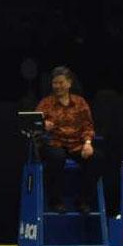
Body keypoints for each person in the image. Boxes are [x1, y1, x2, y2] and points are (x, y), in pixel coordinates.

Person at [35, 66, 100, 213]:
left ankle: (82, 200)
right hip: (53, 143)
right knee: (57, 157)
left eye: (61, 83)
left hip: (76, 145)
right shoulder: (46, 103)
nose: (57, 86)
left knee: (97, 158)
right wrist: (43, 125)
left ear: (69, 83)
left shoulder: (80, 102)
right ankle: (55, 201)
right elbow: (33, 124)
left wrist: (88, 143)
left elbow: (88, 125)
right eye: (55, 83)